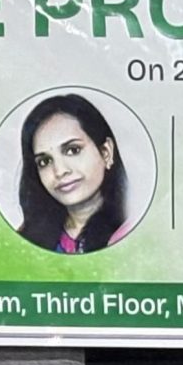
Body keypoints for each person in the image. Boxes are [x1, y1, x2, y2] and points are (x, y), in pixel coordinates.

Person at [15, 93, 132, 253]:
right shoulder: (26, 239)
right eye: (45, 161)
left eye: (73, 150)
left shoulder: (132, 232)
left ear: (106, 152)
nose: (60, 171)